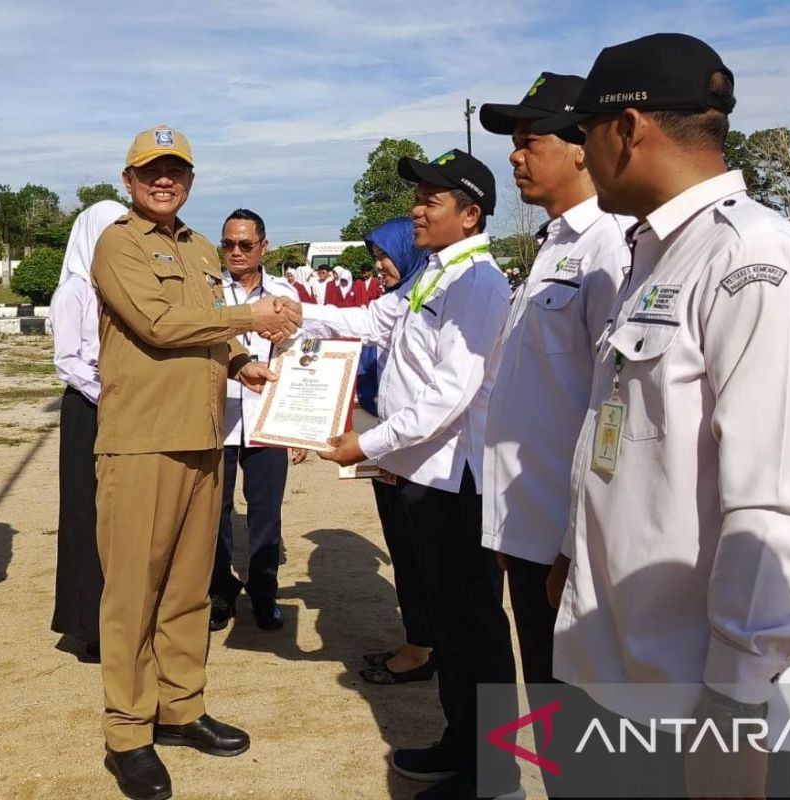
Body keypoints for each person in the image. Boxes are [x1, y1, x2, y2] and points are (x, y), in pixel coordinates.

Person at [533, 33, 790, 797]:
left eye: (585, 133)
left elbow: (770, 505)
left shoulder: (750, 263)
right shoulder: (660, 254)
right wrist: (576, 553)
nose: (582, 153)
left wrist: (735, 704)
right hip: (625, 670)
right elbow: (631, 437)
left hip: (703, 700)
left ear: (629, 129)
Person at [89, 125, 300, 800]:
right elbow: (156, 325)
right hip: (142, 441)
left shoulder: (204, 248)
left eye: (176, 170)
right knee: (133, 593)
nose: (164, 180)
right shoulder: (117, 243)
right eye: (151, 170)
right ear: (129, 180)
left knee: (187, 590)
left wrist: (244, 365)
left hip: (203, 438)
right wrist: (249, 319)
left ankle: (181, 708)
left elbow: (207, 331)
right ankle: (127, 731)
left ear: (189, 180)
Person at [304, 149, 519, 799]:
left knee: (474, 633)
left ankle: (492, 774)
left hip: (459, 483)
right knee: (451, 629)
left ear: (470, 213)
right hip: (426, 477)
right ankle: (461, 747)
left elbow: (449, 396)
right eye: (417, 197)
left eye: (432, 199)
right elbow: (370, 322)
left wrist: (367, 443)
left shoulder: (475, 283)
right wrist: (289, 312)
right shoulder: (431, 276)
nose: (416, 209)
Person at [477, 73, 631, 708]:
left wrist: (574, 544)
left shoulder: (611, 247)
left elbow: (613, 407)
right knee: (546, 698)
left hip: (571, 543)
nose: (515, 155)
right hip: (532, 527)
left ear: (580, 147)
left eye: (529, 139)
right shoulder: (556, 243)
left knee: (578, 715)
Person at [351, 218, 435, 686]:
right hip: (385, 445)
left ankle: (425, 648)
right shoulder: (395, 301)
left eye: (385, 256)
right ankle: (416, 639)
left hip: (419, 454)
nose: (379, 266)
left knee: (422, 551)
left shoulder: (430, 302)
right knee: (402, 546)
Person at [209, 209, 301, 633]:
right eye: (228, 244)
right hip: (216, 417)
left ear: (264, 246)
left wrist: (301, 426)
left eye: (246, 244)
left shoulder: (285, 294)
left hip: (269, 420)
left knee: (266, 511)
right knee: (215, 510)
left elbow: (304, 360)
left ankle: (265, 593)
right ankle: (219, 591)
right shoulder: (208, 292)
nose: (236, 252)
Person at [49, 199, 129, 663]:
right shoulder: (75, 292)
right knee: (85, 512)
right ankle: (88, 624)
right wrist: (110, 393)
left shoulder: (119, 287)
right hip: (89, 408)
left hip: (124, 407)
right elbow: (68, 362)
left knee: (121, 514)